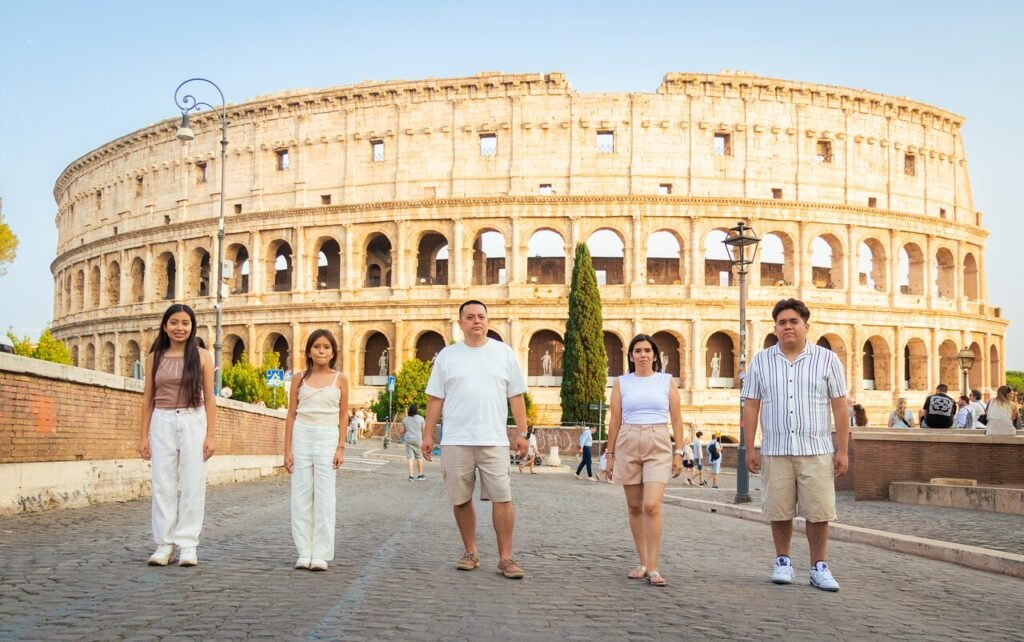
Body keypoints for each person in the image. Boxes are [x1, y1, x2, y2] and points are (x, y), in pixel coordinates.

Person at [741, 298, 850, 592]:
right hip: (776, 447)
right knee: (779, 510)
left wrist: (842, 449)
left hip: (816, 448)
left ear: (806, 326)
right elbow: (751, 405)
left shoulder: (827, 360)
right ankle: (783, 561)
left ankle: (819, 566)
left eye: (793, 322)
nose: (788, 327)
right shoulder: (761, 360)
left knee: (819, 511)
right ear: (775, 327)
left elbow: (840, 406)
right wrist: (750, 448)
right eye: (782, 322)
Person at [422, 300, 530, 579]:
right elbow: (436, 398)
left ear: (488, 320)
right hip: (456, 438)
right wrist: (427, 434)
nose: (476, 321)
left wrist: (522, 432)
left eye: (481, 316)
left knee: (503, 498)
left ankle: (505, 558)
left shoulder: (504, 353)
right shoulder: (447, 356)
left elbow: (516, 396)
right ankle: (470, 551)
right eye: (469, 317)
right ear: (461, 324)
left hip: (494, 438)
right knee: (459, 499)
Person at [138, 304, 216, 567]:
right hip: (162, 420)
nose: (179, 328)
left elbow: (210, 399)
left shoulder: (203, 356)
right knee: (163, 484)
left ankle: (188, 545)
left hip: (194, 419)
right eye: (174, 322)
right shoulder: (154, 357)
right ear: (164, 326)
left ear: (192, 327)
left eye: (185, 323)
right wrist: (143, 436)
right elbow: (147, 398)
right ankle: (164, 544)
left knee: (193, 485)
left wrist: (211, 435)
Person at [605, 334, 685, 587]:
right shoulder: (621, 382)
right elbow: (615, 420)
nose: (642, 354)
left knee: (651, 505)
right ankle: (642, 562)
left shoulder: (666, 381)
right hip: (628, 439)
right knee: (634, 506)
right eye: (637, 350)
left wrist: (679, 451)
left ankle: (654, 566)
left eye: (647, 350)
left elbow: (677, 418)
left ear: (655, 355)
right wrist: (610, 455)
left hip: (658, 440)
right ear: (630, 356)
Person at [284, 329, 349, 571]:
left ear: (333, 352)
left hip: (327, 437)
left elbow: (344, 415)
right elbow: (291, 414)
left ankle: (320, 553)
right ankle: (304, 551)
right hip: (302, 434)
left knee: (325, 496)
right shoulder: (299, 378)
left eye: (326, 347)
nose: (321, 351)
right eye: (317, 347)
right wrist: (286, 450)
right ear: (309, 351)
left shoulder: (340, 379)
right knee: (300, 495)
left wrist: (341, 447)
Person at [401, 404, 426, 481]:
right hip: (418, 440)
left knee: (410, 458)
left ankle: (411, 476)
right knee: (419, 458)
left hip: (408, 440)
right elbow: (424, 431)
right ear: (416, 411)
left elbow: (402, 431)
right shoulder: (421, 419)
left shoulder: (405, 419)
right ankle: (420, 475)